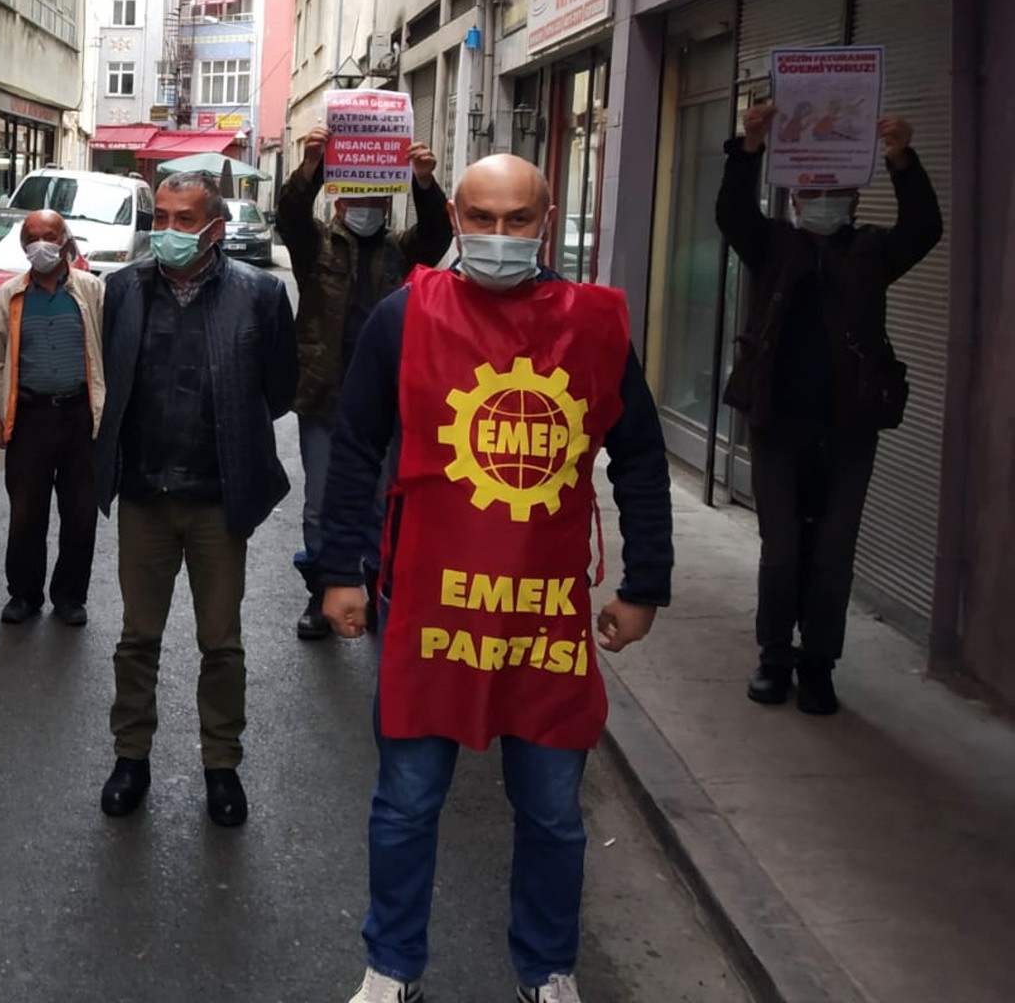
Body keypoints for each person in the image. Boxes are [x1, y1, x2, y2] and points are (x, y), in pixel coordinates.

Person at [318, 154, 673, 1003]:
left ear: (546, 221)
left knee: (551, 812)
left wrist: (642, 582)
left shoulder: (594, 327)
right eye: (482, 218)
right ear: (455, 216)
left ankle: (547, 969)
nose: (499, 237)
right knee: (406, 803)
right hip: (427, 608)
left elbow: (641, 459)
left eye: (518, 221)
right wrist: (338, 570)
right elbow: (354, 446)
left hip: (542, 616)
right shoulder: (402, 319)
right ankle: (391, 963)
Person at [717, 104, 940, 716]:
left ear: (851, 194)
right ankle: (773, 657)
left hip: (848, 426)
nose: (821, 196)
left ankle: (818, 664)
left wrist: (901, 161)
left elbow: (923, 229)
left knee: (833, 552)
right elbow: (732, 214)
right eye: (811, 186)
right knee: (783, 546)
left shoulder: (869, 252)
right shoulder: (775, 245)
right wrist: (752, 146)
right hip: (777, 422)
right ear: (792, 195)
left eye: (834, 187)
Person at [92, 170, 297, 828]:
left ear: (214, 228)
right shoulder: (121, 290)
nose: (170, 232)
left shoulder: (259, 294)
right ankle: (131, 758)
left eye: (185, 220)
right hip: (145, 494)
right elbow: (108, 378)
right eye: (162, 218)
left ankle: (221, 765)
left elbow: (281, 388)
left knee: (221, 641)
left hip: (217, 497)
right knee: (136, 637)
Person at [277, 126, 451, 640]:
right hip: (324, 395)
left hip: (389, 402)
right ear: (336, 204)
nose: (365, 205)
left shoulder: (402, 252)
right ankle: (322, 592)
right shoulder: (316, 248)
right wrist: (310, 168)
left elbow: (438, 237)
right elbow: (290, 216)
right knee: (321, 501)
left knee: (381, 499)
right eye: (354, 196)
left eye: (376, 197)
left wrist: (423, 182)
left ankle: (373, 585)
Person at [0, 210, 105, 627]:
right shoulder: (10, 296)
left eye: (49, 236)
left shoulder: (91, 292)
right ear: (22, 244)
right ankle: (24, 595)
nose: (41, 245)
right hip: (29, 417)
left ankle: (70, 597)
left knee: (81, 513)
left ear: (66, 240)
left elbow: (110, 353)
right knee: (26, 513)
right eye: (32, 238)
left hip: (79, 417)